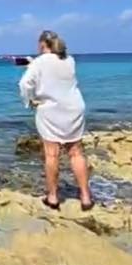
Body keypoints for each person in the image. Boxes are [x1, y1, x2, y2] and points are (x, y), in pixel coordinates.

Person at [18, 30, 93, 210]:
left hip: (52, 110)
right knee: (76, 152)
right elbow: (56, 76)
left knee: (52, 154)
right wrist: (34, 65)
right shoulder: (70, 60)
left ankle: (52, 197)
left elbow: (24, 84)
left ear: (43, 44)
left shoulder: (39, 62)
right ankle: (85, 197)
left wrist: (29, 101)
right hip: (74, 107)